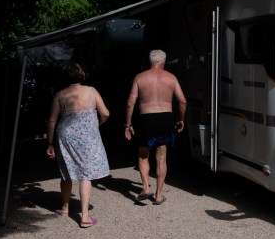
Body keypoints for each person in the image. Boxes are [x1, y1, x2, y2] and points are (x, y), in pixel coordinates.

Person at [46, 63, 111, 228]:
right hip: (89, 137)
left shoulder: (59, 95)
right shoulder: (91, 91)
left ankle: (65, 208)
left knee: (66, 171)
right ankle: (85, 216)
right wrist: (96, 123)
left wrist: (49, 143)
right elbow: (105, 113)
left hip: (66, 136)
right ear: (81, 75)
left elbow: (52, 121)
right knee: (85, 174)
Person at [124, 49, 187, 205]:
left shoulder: (140, 77)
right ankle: (158, 195)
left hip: (146, 118)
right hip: (165, 118)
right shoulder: (171, 78)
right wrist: (180, 119)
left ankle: (145, 187)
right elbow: (183, 101)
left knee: (143, 154)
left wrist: (128, 124)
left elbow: (130, 102)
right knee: (161, 157)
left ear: (150, 61)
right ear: (163, 62)